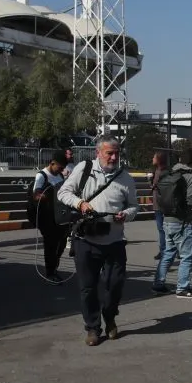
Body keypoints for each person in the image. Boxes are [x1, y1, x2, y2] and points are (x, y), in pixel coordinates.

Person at [57, 135, 139, 346]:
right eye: (109, 153)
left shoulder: (125, 178)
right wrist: (80, 203)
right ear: (98, 153)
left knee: (116, 284)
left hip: (115, 240)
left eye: (116, 153)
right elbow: (63, 193)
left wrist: (126, 215)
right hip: (86, 239)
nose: (113, 157)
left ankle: (109, 315)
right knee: (88, 287)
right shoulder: (84, 169)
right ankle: (93, 328)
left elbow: (134, 207)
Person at [152, 148, 192, 299]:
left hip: (167, 219)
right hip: (182, 221)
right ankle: (183, 288)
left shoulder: (169, 173)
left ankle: (158, 284)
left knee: (168, 252)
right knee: (188, 255)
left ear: (180, 159)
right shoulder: (189, 177)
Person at [33, 151, 70, 282]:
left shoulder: (60, 175)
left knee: (62, 243)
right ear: (52, 163)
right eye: (60, 167)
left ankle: (54, 266)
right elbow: (36, 194)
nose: (61, 170)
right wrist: (46, 196)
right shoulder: (41, 176)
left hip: (60, 216)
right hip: (47, 218)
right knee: (50, 245)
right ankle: (50, 272)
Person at [150, 150, 167, 260]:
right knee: (165, 229)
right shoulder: (159, 171)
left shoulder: (161, 172)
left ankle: (163, 250)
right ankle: (168, 250)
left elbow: (156, 186)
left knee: (161, 229)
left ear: (158, 160)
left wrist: (151, 183)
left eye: (154, 157)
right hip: (161, 203)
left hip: (160, 204)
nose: (152, 159)